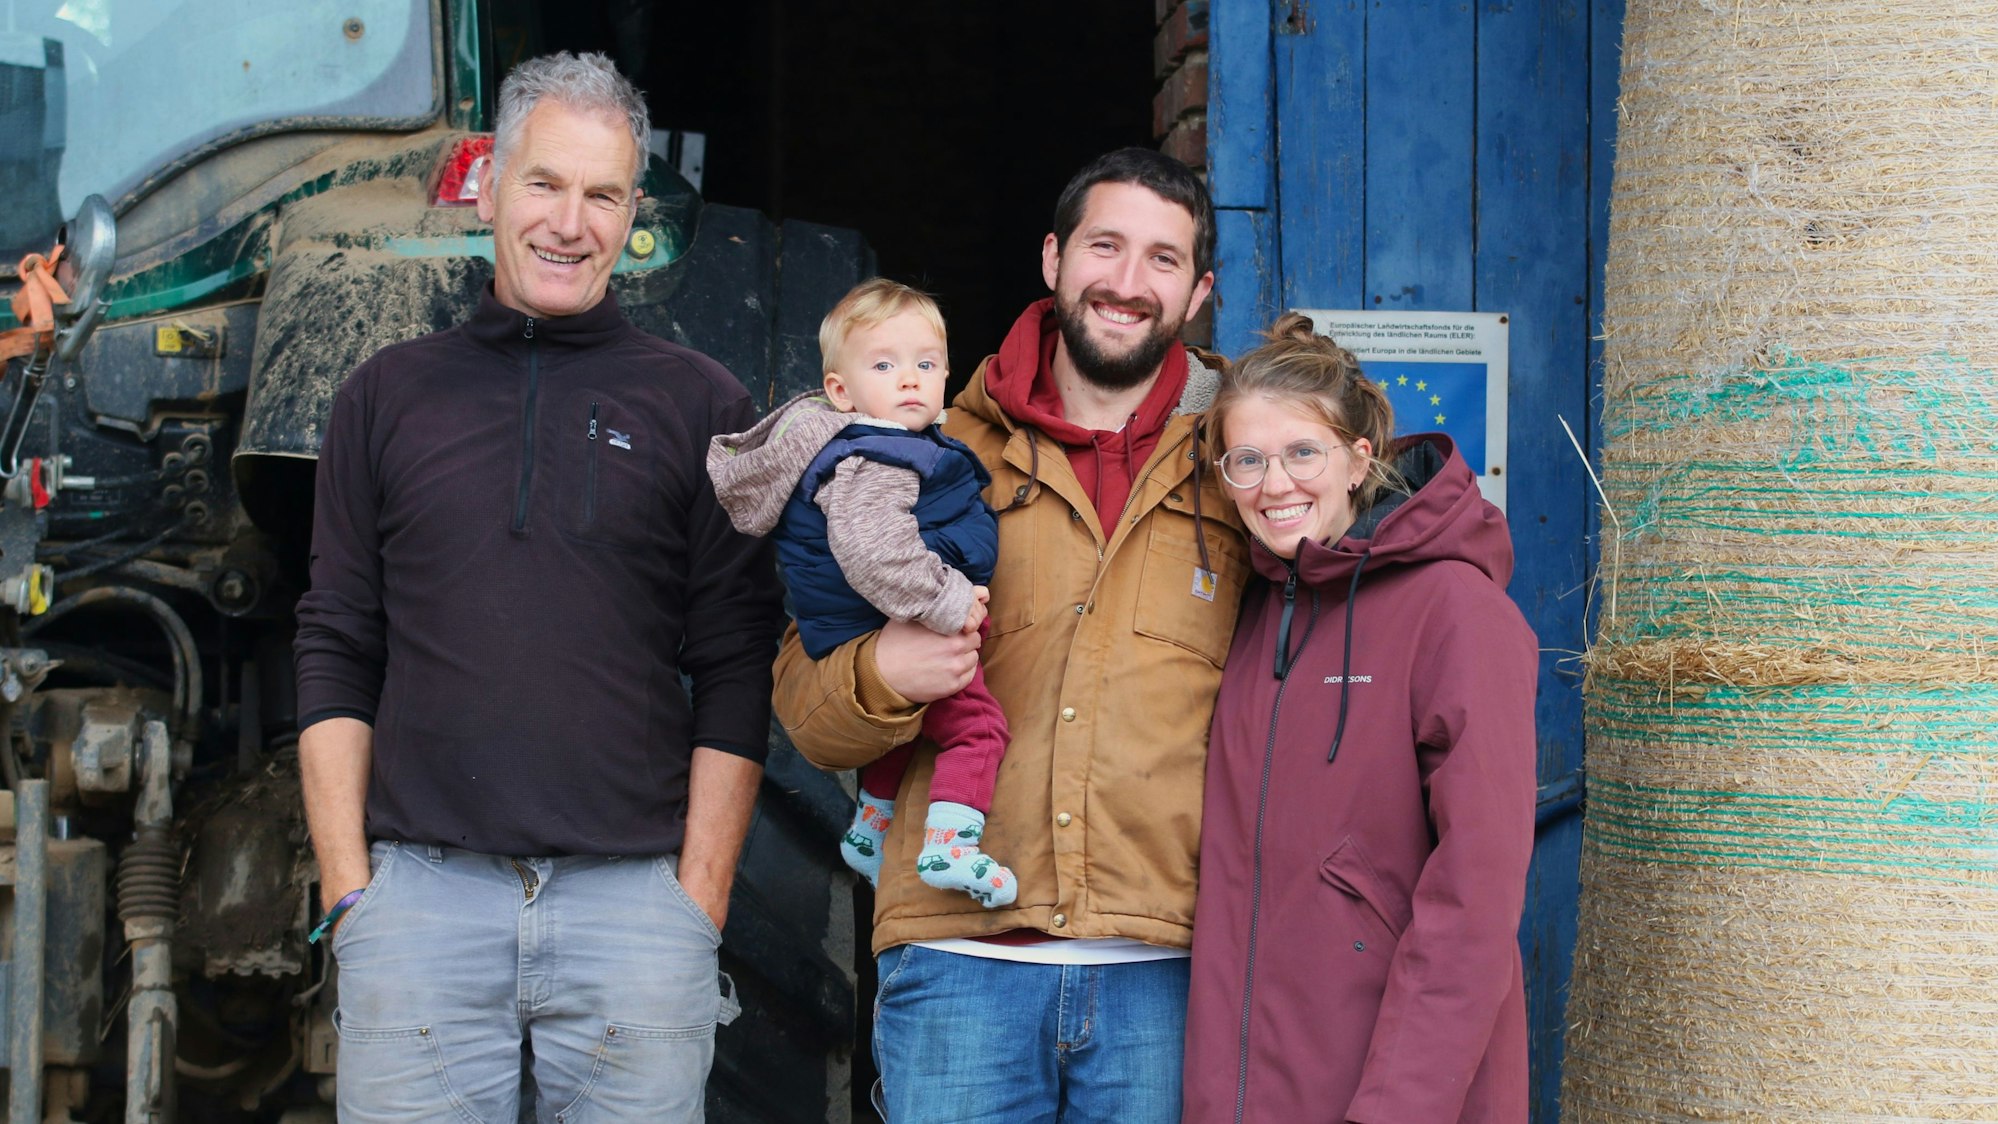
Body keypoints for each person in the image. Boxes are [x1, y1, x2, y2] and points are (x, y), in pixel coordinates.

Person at [292, 51, 782, 1122]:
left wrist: (695, 901)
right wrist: (351, 892)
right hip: (419, 907)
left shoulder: (703, 404)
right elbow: (335, 640)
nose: (571, 221)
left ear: (633, 211)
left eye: (603, 193)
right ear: (488, 185)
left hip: (632, 916)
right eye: (545, 183)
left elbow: (740, 659)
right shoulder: (384, 396)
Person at [772, 147, 1246, 1123]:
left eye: (1162, 259)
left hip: (1168, 971)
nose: (1126, 280)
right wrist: (881, 670)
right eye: (1104, 245)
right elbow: (806, 712)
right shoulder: (926, 451)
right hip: (958, 966)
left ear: (1198, 290)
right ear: (1052, 259)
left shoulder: (1243, 468)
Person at [1181, 314, 1538, 1122]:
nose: (1275, 486)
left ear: (1358, 460)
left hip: (1392, 1091)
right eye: (1247, 460)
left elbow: (1474, 898)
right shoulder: (1247, 613)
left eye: (1303, 453)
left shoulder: (1456, 611)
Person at [707, 278, 1016, 907]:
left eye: (925, 364)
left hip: (864, 624)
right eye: (885, 364)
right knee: (977, 728)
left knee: (914, 727)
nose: (909, 380)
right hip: (885, 624)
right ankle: (951, 846)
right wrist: (949, 600)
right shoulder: (875, 458)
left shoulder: (895, 443)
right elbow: (874, 552)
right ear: (839, 391)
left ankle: (870, 830)